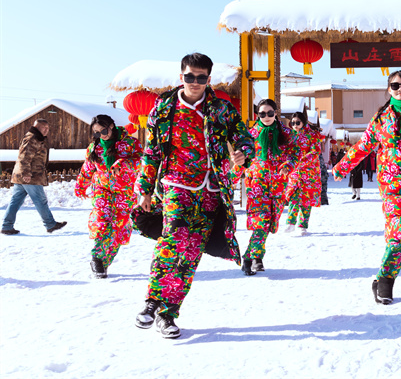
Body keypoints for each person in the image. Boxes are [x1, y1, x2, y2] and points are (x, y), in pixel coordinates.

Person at [132, 53, 255, 339]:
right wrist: (145, 189)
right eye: (190, 76)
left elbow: (244, 137)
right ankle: (153, 300)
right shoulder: (164, 108)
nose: (195, 82)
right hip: (176, 185)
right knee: (173, 240)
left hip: (211, 189)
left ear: (208, 79)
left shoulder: (222, 109)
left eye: (201, 77)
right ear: (181, 77)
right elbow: (152, 151)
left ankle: (168, 314)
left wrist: (243, 152)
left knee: (191, 252)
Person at [332, 70, 401, 305]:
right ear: (389, 89)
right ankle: (385, 280)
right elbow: (364, 145)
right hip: (392, 184)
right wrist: (342, 166)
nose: (400, 89)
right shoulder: (381, 118)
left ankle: (385, 277)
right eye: (395, 85)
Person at [75, 115, 143, 278]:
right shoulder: (95, 147)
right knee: (102, 222)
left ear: (112, 126)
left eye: (103, 131)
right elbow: (88, 168)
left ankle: (104, 263)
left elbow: (142, 161)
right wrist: (81, 185)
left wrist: (123, 163)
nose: (101, 135)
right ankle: (97, 258)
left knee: (118, 228)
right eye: (96, 133)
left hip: (124, 192)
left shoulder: (130, 143)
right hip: (102, 190)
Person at [236, 98, 296, 275]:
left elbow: (295, 153)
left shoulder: (286, 133)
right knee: (261, 223)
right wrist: (230, 178)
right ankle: (249, 258)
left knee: (269, 224)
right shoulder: (250, 135)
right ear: (257, 115)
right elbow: (242, 159)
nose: (267, 116)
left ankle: (258, 257)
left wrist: (288, 165)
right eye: (262, 114)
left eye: (270, 113)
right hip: (257, 186)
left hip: (277, 186)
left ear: (275, 113)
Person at [2, 119, 67, 235]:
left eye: (47, 128)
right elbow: (24, 157)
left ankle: (7, 226)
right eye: (43, 127)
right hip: (30, 176)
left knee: (15, 201)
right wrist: (26, 173)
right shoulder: (33, 138)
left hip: (22, 176)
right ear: (36, 127)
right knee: (40, 200)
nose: (46, 130)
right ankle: (50, 224)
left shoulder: (37, 138)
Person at [285, 111, 325, 235]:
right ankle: (291, 223)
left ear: (303, 122)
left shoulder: (312, 135)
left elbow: (315, 151)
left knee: (306, 200)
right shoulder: (290, 136)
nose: (295, 125)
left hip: (309, 172)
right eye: (293, 123)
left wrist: (300, 160)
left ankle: (303, 225)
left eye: (297, 123)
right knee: (293, 196)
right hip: (295, 172)